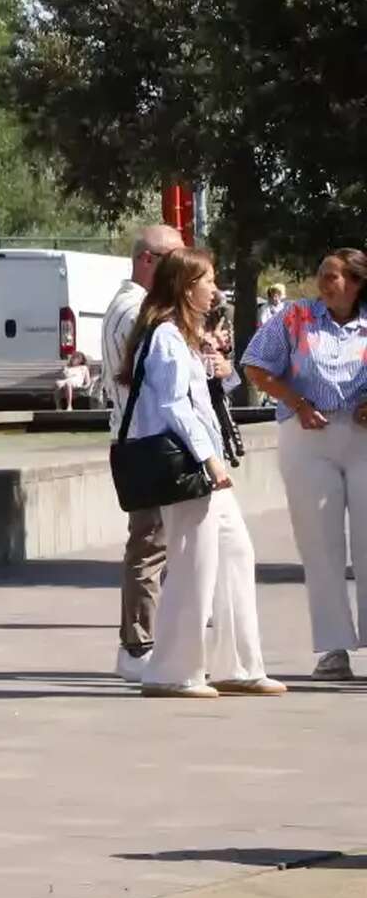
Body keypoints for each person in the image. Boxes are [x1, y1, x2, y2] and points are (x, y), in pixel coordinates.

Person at [121, 247, 282, 698]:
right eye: (208, 280)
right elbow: (173, 406)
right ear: (185, 287)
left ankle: (239, 664)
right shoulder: (166, 337)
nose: (216, 289)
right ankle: (173, 670)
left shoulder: (184, 337)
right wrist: (209, 458)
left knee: (234, 553)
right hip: (187, 466)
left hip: (199, 465)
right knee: (194, 562)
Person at [240, 248, 367, 680]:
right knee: (320, 545)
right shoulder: (295, 317)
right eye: (321, 273)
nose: (323, 282)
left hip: (363, 437)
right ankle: (334, 648)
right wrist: (295, 400)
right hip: (306, 437)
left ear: (355, 282)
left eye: (333, 276)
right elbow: (254, 365)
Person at [100, 223, 187, 674]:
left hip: (146, 439)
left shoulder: (137, 308)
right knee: (151, 543)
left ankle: (146, 643)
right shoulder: (136, 311)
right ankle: (137, 647)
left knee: (157, 542)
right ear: (149, 260)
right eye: (175, 259)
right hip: (147, 442)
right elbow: (155, 382)